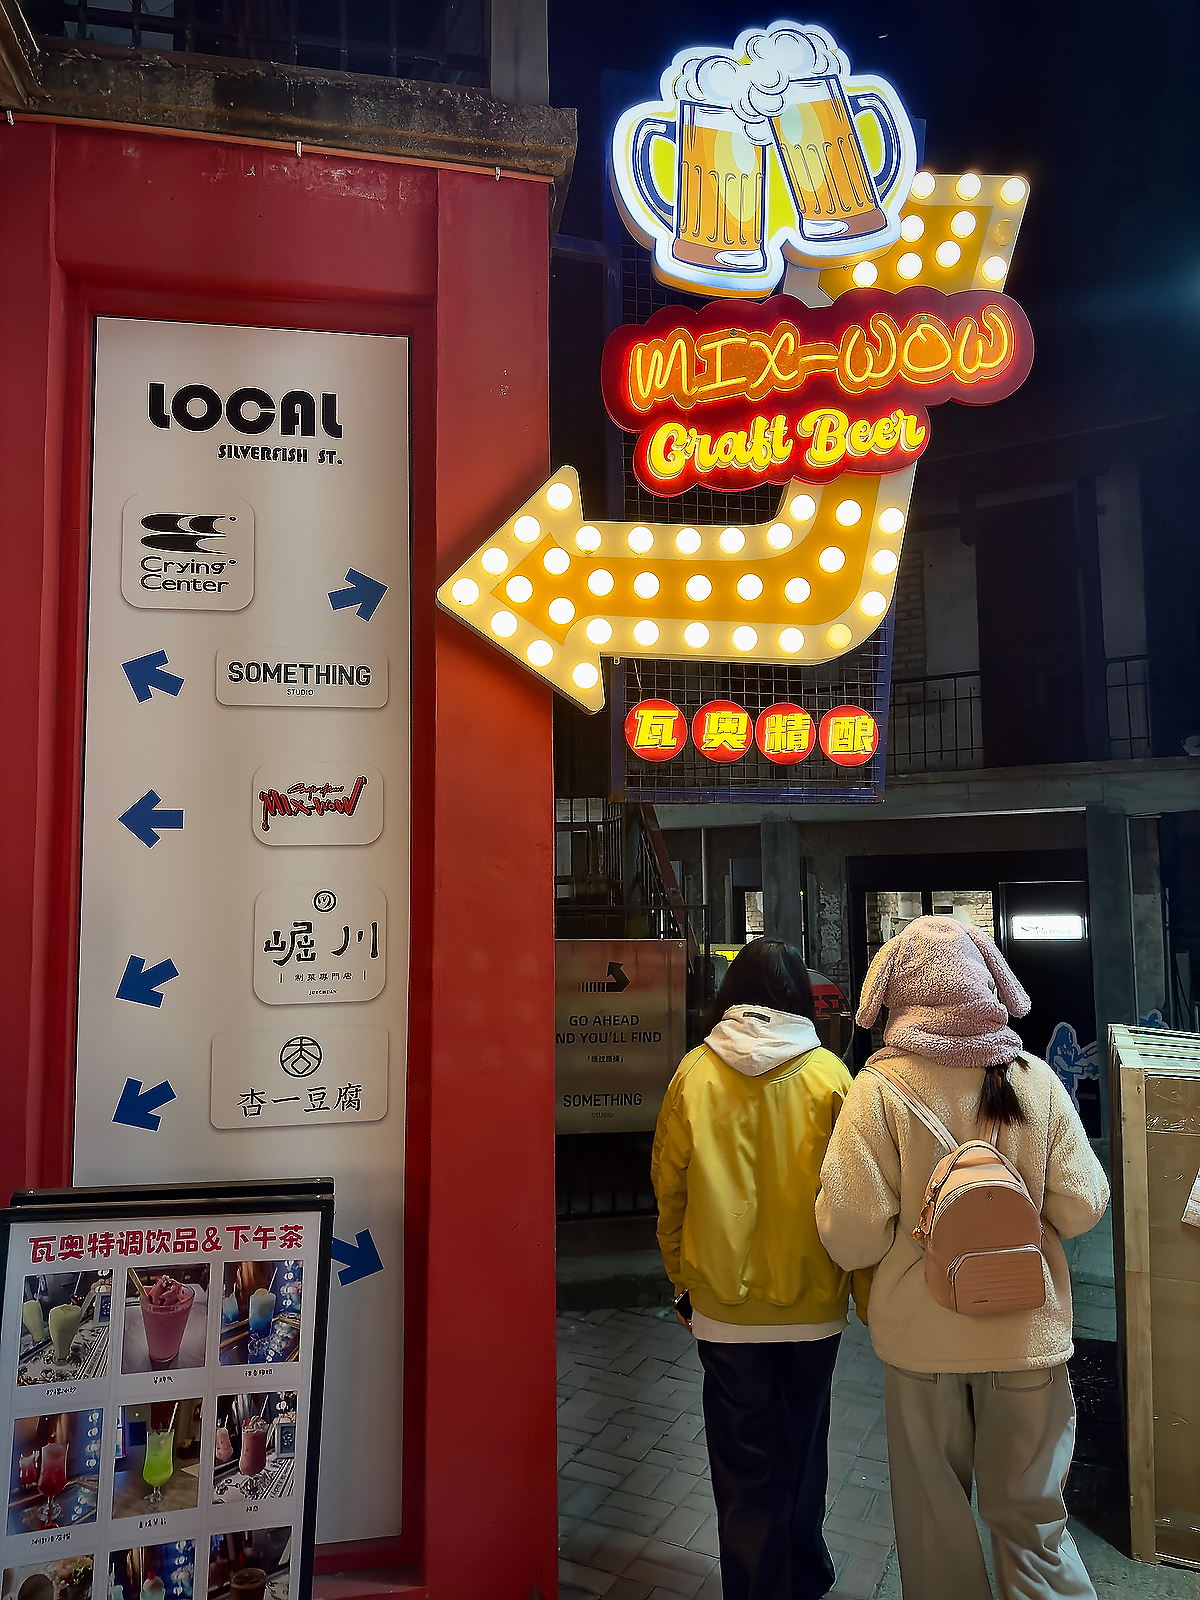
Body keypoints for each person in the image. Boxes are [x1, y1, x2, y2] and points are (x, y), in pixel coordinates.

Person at [814, 916, 1109, 1600]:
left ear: (897, 993)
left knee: (933, 1525)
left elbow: (850, 1235)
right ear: (988, 985)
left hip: (922, 1345)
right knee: (1034, 1522)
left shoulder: (878, 1091)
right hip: (1027, 1336)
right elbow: (1083, 1206)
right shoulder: (1033, 1080)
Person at [652, 938, 868, 1600]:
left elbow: (670, 1191)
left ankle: (755, 1585)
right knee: (805, 1446)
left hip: (722, 1309)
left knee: (744, 1461)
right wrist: (861, 1291)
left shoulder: (693, 1073)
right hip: (815, 1303)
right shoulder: (831, 1077)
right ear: (800, 998)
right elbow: (857, 1199)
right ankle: (804, 1574)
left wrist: (681, 1282)